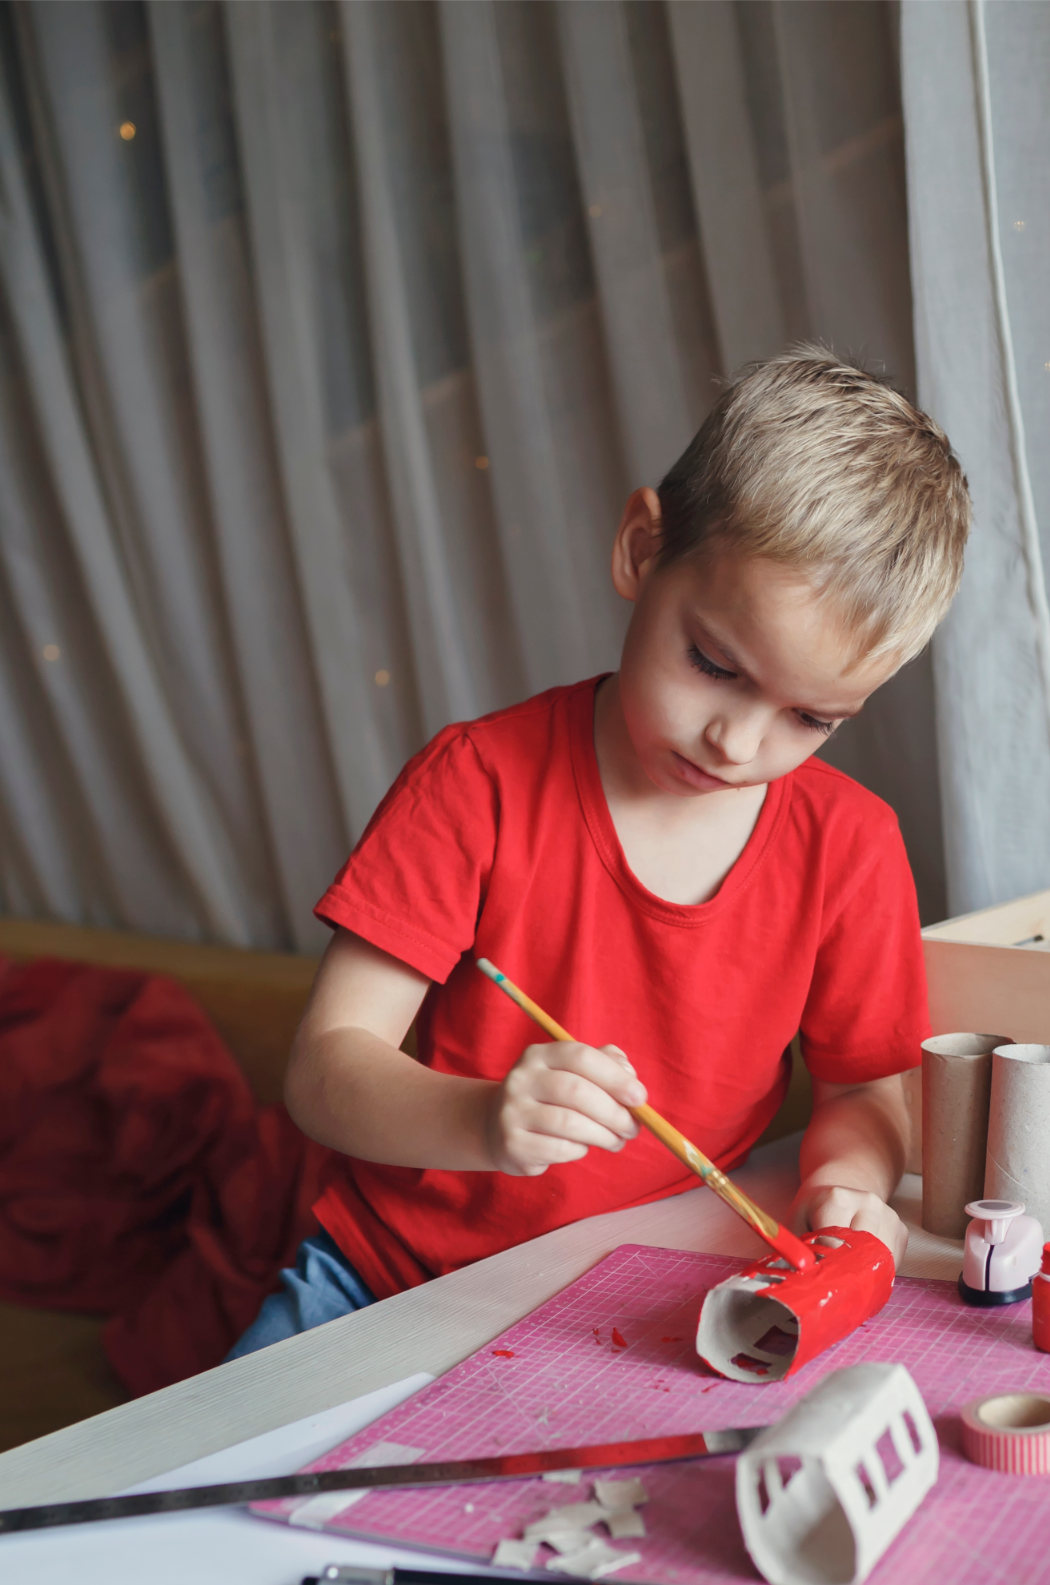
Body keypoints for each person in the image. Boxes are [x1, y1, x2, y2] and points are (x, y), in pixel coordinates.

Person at [227, 347, 971, 1357]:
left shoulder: (849, 846)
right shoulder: (475, 785)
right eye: (712, 664)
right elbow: (323, 1071)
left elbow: (859, 1096)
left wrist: (846, 1186)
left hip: (638, 1293)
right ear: (639, 549)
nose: (738, 743)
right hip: (387, 1281)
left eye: (810, 718)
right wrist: (484, 1120)